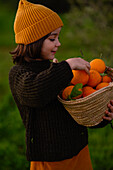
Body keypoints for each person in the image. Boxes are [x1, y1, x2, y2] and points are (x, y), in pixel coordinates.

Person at [9, 0, 113, 169]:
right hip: (51, 160)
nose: (58, 43)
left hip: (80, 150)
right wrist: (68, 65)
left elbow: (76, 109)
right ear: (32, 40)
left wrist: (100, 115)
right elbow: (36, 93)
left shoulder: (55, 70)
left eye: (58, 37)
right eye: (52, 38)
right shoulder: (20, 74)